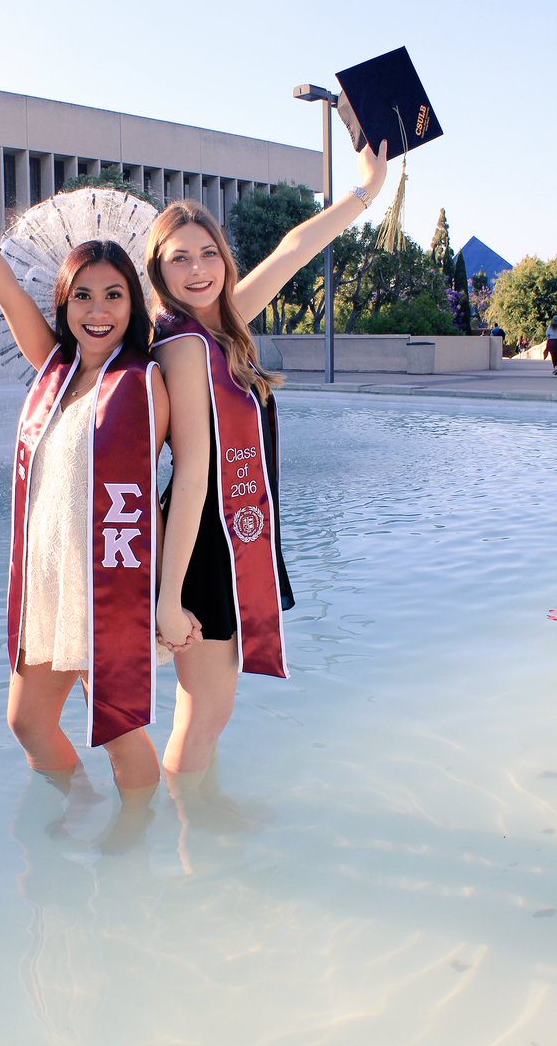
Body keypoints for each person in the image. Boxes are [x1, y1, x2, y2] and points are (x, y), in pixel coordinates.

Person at [0, 163, 199, 793]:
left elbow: (186, 483)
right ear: (65, 303)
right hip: (47, 581)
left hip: (107, 583)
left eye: (114, 295)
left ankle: (140, 844)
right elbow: (3, 286)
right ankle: (78, 812)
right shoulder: (55, 370)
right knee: (28, 723)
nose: (98, 312)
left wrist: (168, 595)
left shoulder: (149, 381)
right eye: (83, 296)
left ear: (135, 303)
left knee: (120, 730)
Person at [146, 143, 387, 776]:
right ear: (159, 270)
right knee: (203, 715)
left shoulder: (215, 330)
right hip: (204, 545)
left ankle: (196, 822)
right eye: (180, 259)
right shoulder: (184, 346)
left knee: (210, 714)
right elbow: (193, 471)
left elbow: (293, 249)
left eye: (208, 255)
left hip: (230, 532)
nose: (198, 270)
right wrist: (169, 599)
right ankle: (192, 844)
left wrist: (367, 190)